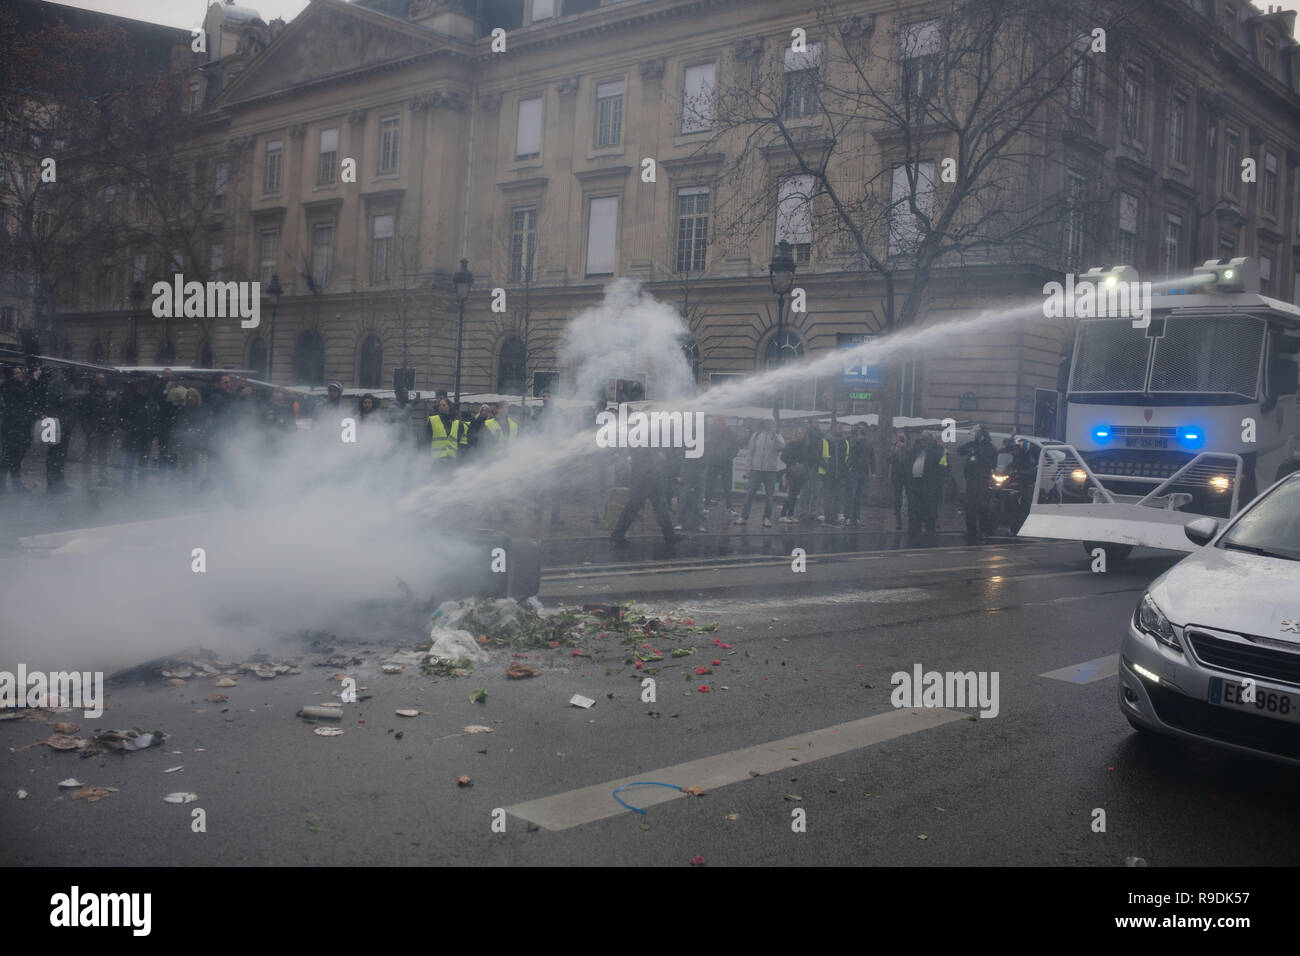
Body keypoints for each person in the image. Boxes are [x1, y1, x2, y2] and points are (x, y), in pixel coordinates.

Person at [610, 445, 682, 546]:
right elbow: (659, 456)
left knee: (634, 506)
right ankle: (670, 536)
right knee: (658, 506)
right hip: (649, 475)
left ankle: (618, 534)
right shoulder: (650, 438)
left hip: (641, 474)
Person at [735, 417, 785, 528]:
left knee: (770, 496)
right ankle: (743, 516)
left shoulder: (777, 436)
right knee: (750, 494)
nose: (768, 424)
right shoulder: (756, 435)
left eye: (770, 422)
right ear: (763, 423)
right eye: (766, 422)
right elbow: (750, 452)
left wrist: (776, 434)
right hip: (756, 470)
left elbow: (782, 446)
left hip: (770, 471)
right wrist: (748, 467)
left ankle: (767, 518)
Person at [0, 365, 37, 492]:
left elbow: (27, 402)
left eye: (20, 372)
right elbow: (23, 395)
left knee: (16, 458)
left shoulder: (15, 386)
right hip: (12, 427)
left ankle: (15, 485)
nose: (20, 374)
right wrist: (34, 380)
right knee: (9, 457)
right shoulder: (7, 386)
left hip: (20, 426)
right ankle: (4, 486)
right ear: (11, 376)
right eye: (17, 373)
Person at [957, 424, 998, 539]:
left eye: (977, 434)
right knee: (969, 507)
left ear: (983, 435)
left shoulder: (990, 448)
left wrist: (979, 455)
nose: (975, 436)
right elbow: (959, 450)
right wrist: (969, 448)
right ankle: (971, 531)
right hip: (971, 480)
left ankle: (983, 530)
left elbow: (992, 464)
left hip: (982, 481)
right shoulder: (973, 445)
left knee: (982, 506)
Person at [117, 378, 157, 492]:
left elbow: (155, 419)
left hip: (145, 438)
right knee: (129, 464)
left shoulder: (151, 402)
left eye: (144, 387)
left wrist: (153, 432)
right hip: (132, 437)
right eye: (140, 387)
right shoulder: (128, 401)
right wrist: (129, 427)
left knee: (143, 466)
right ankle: (127, 487)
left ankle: (141, 488)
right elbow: (120, 418)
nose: (142, 389)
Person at [80, 372, 116, 486]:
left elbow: (112, 415)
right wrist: (89, 431)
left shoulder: (107, 396)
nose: (102, 382)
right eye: (100, 380)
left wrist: (111, 429)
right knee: (90, 456)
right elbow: (84, 416)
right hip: (94, 430)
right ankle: (87, 479)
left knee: (103, 456)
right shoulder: (89, 397)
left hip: (104, 430)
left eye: (103, 380)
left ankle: (102, 477)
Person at [908, 432, 943, 533]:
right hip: (916, 481)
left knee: (930, 505)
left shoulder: (938, 449)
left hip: (931, 482)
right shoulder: (917, 449)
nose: (923, 441)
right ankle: (916, 525)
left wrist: (941, 480)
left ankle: (930, 526)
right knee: (916, 504)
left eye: (925, 439)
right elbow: (909, 458)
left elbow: (943, 465)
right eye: (922, 439)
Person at [174, 388, 208, 489]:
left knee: (196, 466)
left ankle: (194, 487)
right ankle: (185, 487)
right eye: (188, 395)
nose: (190, 398)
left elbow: (203, 426)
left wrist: (202, 439)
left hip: (196, 442)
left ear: (196, 397)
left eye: (192, 395)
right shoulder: (182, 410)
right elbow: (179, 425)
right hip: (186, 442)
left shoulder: (201, 410)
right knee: (185, 466)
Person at [704, 416, 739, 515]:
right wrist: (709, 455)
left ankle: (729, 507)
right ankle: (706, 505)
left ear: (723, 422)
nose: (717, 423)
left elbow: (735, 447)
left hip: (726, 463)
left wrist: (729, 457)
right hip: (713, 462)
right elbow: (706, 445)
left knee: (727, 486)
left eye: (719, 421)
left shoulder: (730, 433)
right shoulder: (711, 432)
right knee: (709, 484)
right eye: (716, 422)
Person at [820, 421, 851, 526]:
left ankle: (835, 518)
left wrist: (846, 468)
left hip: (841, 474)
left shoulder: (845, 442)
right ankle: (828, 518)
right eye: (838, 428)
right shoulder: (825, 441)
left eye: (841, 428)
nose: (840, 430)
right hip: (829, 474)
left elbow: (847, 457)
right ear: (833, 428)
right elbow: (819, 457)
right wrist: (826, 467)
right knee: (828, 497)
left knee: (838, 498)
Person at [846, 422, 876, 526]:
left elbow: (872, 457)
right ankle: (848, 517)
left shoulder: (869, 443)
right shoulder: (853, 440)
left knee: (859, 496)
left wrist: (873, 471)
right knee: (851, 495)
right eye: (860, 428)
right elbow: (851, 451)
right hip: (854, 470)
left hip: (864, 472)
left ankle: (857, 517)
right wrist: (858, 440)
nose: (861, 430)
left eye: (863, 429)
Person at [778, 424, 808, 522]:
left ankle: (790, 514)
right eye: (799, 433)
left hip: (801, 473)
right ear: (796, 434)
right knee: (791, 494)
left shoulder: (805, 445)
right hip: (792, 472)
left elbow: (807, 459)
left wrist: (804, 465)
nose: (800, 435)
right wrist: (793, 464)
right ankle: (783, 515)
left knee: (795, 494)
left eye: (802, 433)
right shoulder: (791, 444)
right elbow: (783, 457)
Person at [797, 420, 824, 523]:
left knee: (816, 491)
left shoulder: (821, 435)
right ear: (811, 423)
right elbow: (805, 450)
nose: (816, 423)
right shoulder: (806, 434)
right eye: (815, 422)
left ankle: (813, 513)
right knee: (806, 490)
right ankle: (802, 512)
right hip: (808, 465)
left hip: (817, 466)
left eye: (818, 422)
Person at [426, 396, 463, 466]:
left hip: (451, 459)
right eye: (440, 405)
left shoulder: (457, 423)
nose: (441, 407)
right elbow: (427, 438)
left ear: (449, 407)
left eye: (444, 405)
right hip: (437, 459)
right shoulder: (432, 420)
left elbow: (458, 441)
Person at [888, 432, 911, 530]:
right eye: (899, 437)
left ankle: (910, 520)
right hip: (897, 477)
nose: (900, 439)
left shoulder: (910, 447)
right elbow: (889, 460)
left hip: (907, 477)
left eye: (902, 437)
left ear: (906, 438)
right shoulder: (894, 448)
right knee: (897, 499)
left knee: (910, 499)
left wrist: (904, 447)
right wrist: (896, 450)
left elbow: (911, 458)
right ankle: (899, 521)